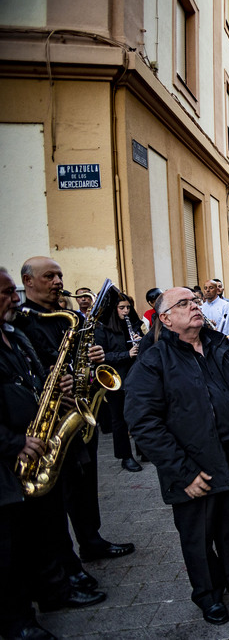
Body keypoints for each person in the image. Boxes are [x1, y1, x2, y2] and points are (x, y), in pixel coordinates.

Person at [124, 287, 229, 625]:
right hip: (193, 465)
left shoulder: (219, 343)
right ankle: (208, 594)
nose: (195, 306)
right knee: (198, 535)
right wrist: (183, 473)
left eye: (195, 301)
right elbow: (143, 424)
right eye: (184, 303)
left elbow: (226, 390)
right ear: (166, 318)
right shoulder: (154, 359)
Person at [1, 267, 105, 639]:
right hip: (16, 451)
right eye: (6, 293)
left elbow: (32, 380)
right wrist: (13, 442)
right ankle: (19, 619)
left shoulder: (15, 333)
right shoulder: (23, 326)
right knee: (13, 544)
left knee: (45, 523)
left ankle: (55, 587)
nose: (14, 300)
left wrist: (59, 382)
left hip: (42, 435)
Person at [17, 257, 135, 570]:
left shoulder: (68, 316)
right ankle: (65, 562)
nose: (58, 281)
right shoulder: (24, 321)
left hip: (80, 409)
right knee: (59, 492)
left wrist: (96, 357)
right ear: (28, 281)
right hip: (51, 416)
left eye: (59, 275)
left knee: (85, 482)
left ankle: (91, 540)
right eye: (49, 276)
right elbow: (29, 368)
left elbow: (80, 355)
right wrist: (51, 380)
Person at [95, 292, 144, 472]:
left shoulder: (133, 324)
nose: (125, 311)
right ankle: (125, 456)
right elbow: (101, 356)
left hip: (135, 376)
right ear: (114, 309)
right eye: (121, 308)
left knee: (139, 414)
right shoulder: (102, 328)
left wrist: (141, 341)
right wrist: (126, 354)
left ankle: (143, 450)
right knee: (120, 420)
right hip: (116, 379)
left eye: (128, 308)